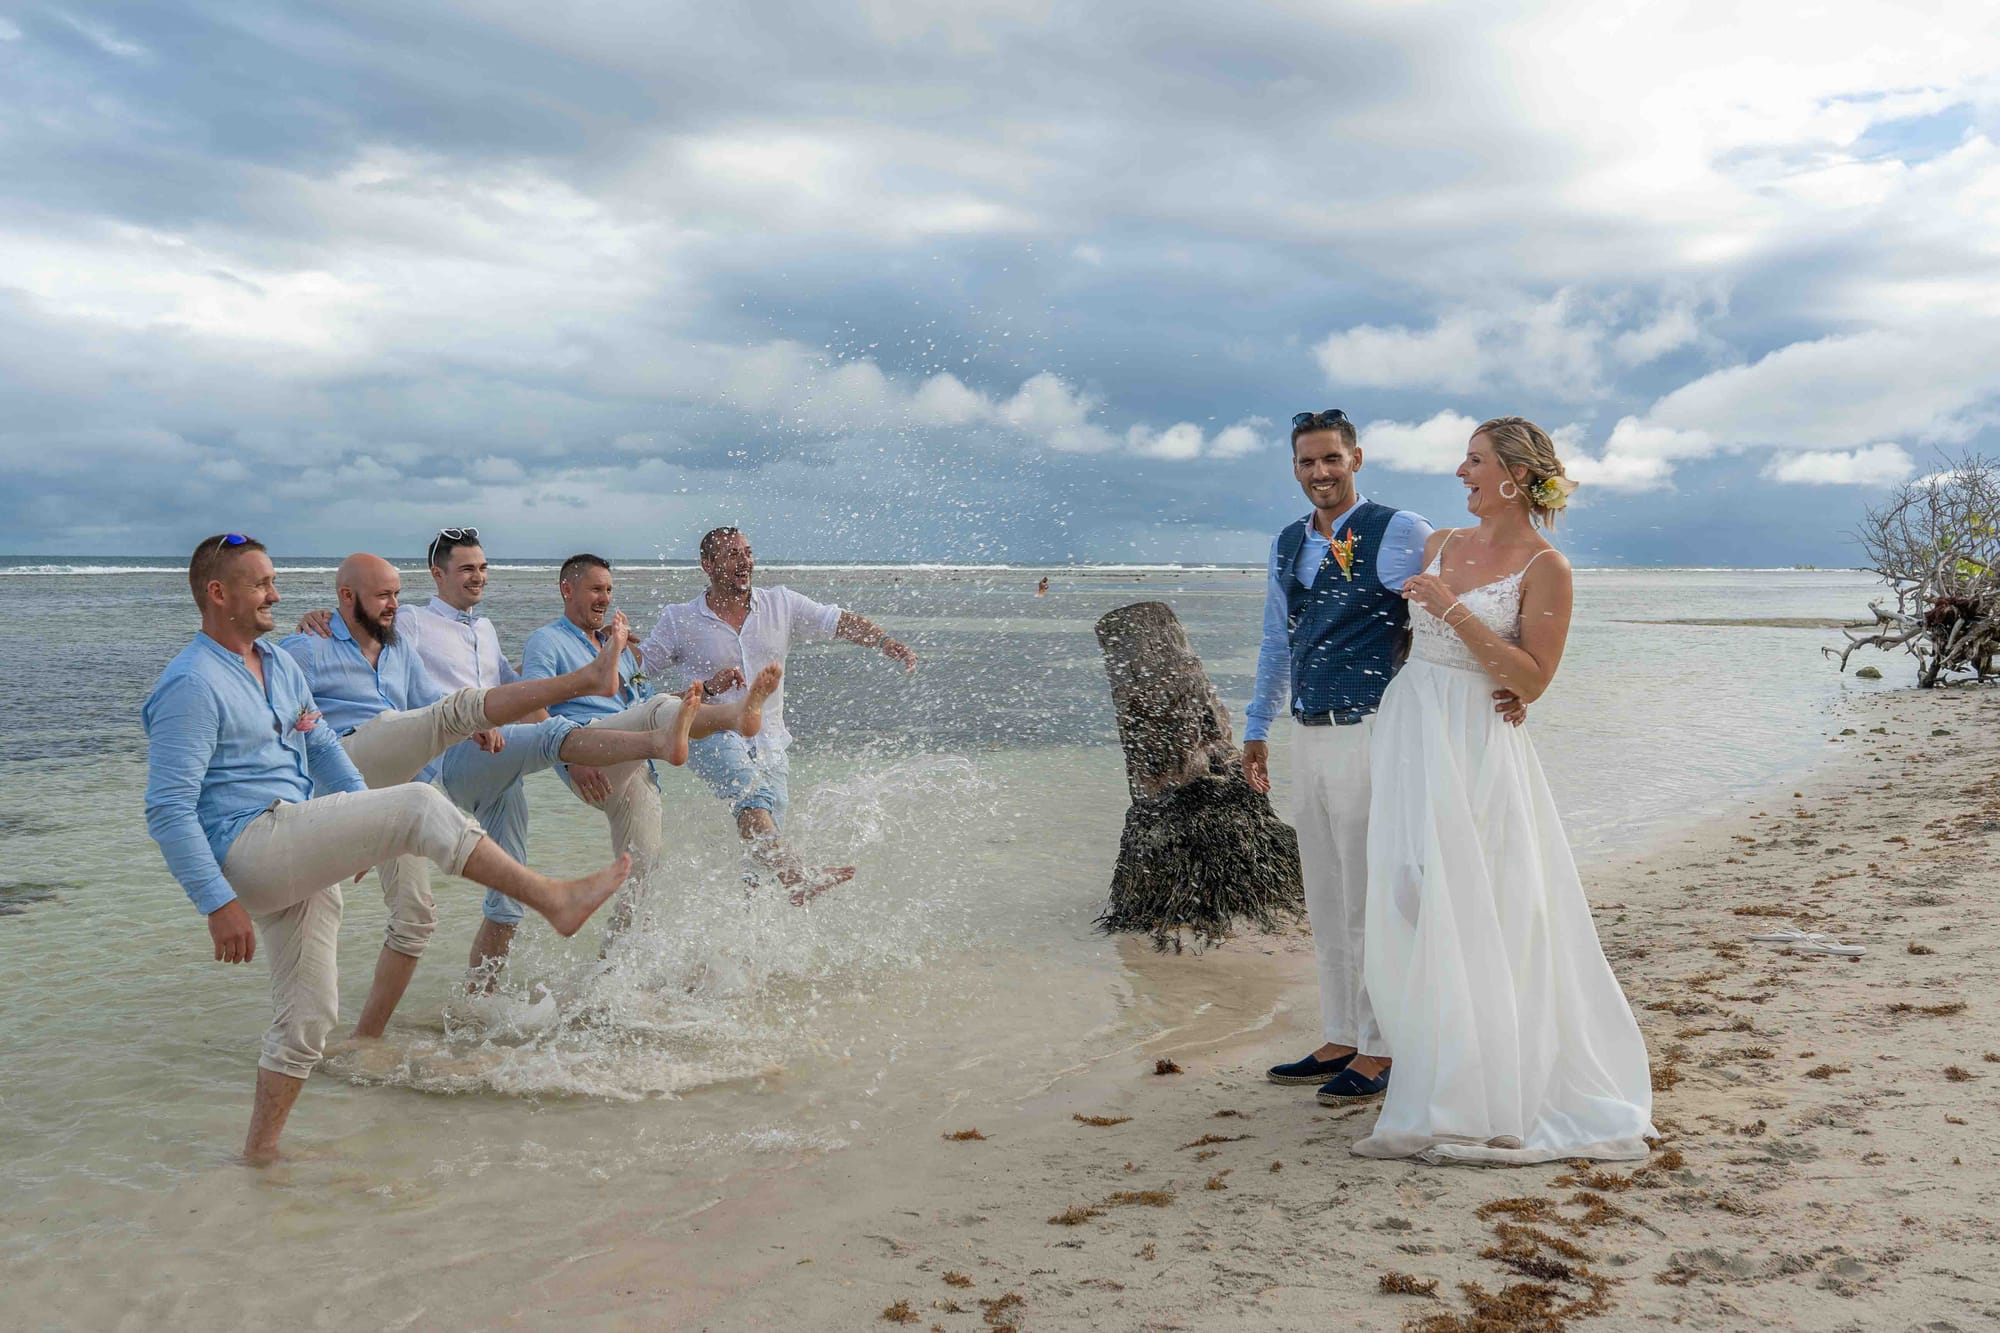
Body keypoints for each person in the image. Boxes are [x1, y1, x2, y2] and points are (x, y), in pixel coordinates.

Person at [143, 534, 630, 1163]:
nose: (277, 593)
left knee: (308, 1021)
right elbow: (168, 808)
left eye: (272, 580)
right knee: (417, 803)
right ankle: (552, 899)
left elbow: (319, 749)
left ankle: (258, 1159)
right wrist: (217, 903)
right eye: (261, 583)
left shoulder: (279, 665)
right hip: (249, 842)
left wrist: (353, 815)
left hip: (298, 827)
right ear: (218, 593)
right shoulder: (191, 683)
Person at [282, 551, 763, 1037]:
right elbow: (282, 715)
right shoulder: (351, 637)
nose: (391, 604)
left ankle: (386, 1033)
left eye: (395, 595)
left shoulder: (423, 643)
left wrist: (472, 730)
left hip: (427, 771)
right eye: (383, 595)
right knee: (479, 713)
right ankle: (671, 729)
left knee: (425, 916)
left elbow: (482, 694)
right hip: (377, 756)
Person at [1353, 418, 1655, 1165]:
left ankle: (1484, 1087)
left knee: (1482, 907)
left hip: (1478, 745)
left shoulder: (1548, 566)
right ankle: (1437, 1065)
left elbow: (1531, 679)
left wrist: (1455, 611)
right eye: (1466, 459)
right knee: (1408, 894)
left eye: (1476, 460)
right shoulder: (1440, 543)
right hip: (1412, 732)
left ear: (1516, 476)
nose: (1462, 471)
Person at [1243, 410, 1525, 1107]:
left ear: (1357, 458)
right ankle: (1340, 1031)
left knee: (1377, 893)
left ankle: (1382, 1045)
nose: (1320, 473)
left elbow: (1455, 612)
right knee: (1327, 892)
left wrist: (1512, 685)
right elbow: (1279, 640)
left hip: (1376, 729)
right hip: (1308, 730)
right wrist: (1257, 725)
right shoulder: (1287, 542)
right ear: (1295, 467)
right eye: (1307, 462)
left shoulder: (1401, 530)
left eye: (1332, 459)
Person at [636, 527, 917, 901]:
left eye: (748, 553)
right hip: (711, 731)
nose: (745, 562)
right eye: (733, 554)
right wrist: (609, 646)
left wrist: (884, 641)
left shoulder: (781, 604)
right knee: (750, 793)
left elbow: (838, 621)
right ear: (708, 564)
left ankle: (751, 931)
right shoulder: (679, 619)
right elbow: (636, 675)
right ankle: (800, 877)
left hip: (770, 743)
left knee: (765, 847)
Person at [521, 553, 787, 926]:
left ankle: (611, 978)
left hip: (633, 766)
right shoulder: (546, 641)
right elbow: (531, 703)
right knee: (660, 711)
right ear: (567, 589)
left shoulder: (620, 649)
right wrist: (569, 760)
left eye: (609, 590)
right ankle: (735, 716)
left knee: (641, 884)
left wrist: (706, 690)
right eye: (595, 589)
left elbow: (651, 707)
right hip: (586, 755)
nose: (605, 598)